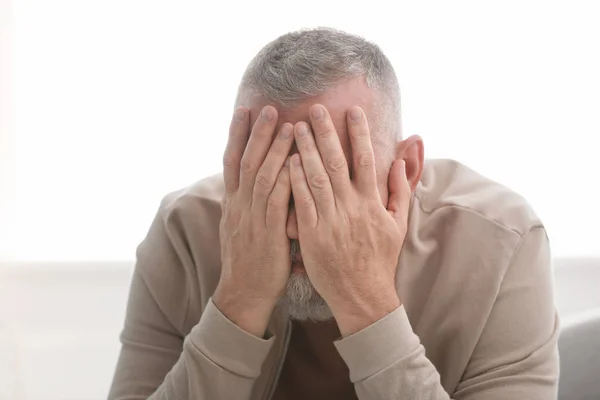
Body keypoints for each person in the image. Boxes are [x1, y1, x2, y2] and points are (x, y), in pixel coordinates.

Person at [108, 28, 559, 400]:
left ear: (407, 169)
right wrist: (238, 300)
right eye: (272, 185)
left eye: (332, 183)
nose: (296, 224)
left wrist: (367, 303)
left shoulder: (503, 242)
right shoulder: (182, 232)